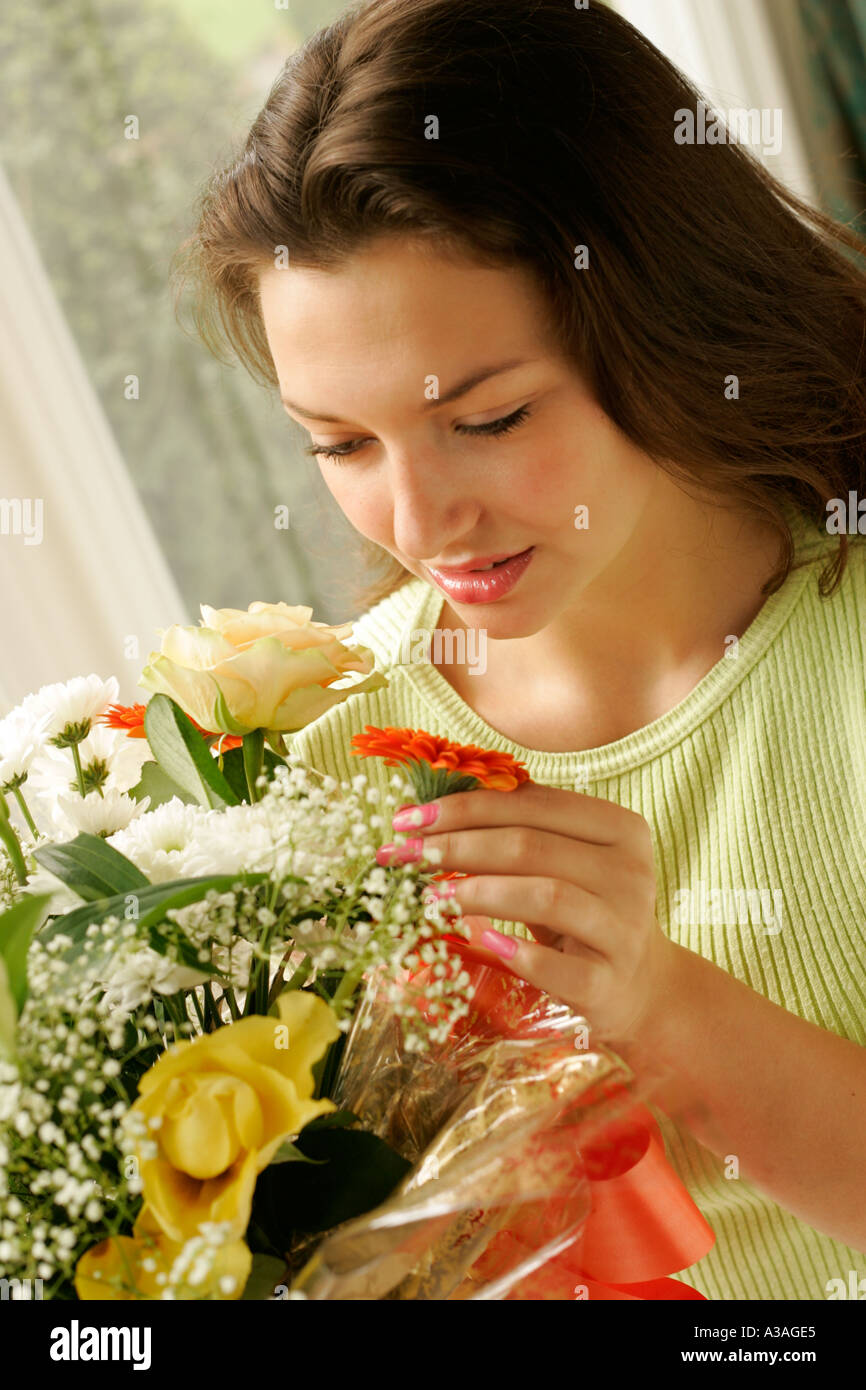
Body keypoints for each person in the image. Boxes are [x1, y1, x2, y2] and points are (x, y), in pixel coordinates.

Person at [175, 0, 866, 1300]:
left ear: (665, 318)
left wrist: (657, 996)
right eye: (340, 444)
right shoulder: (311, 755)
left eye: (485, 418)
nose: (420, 521)